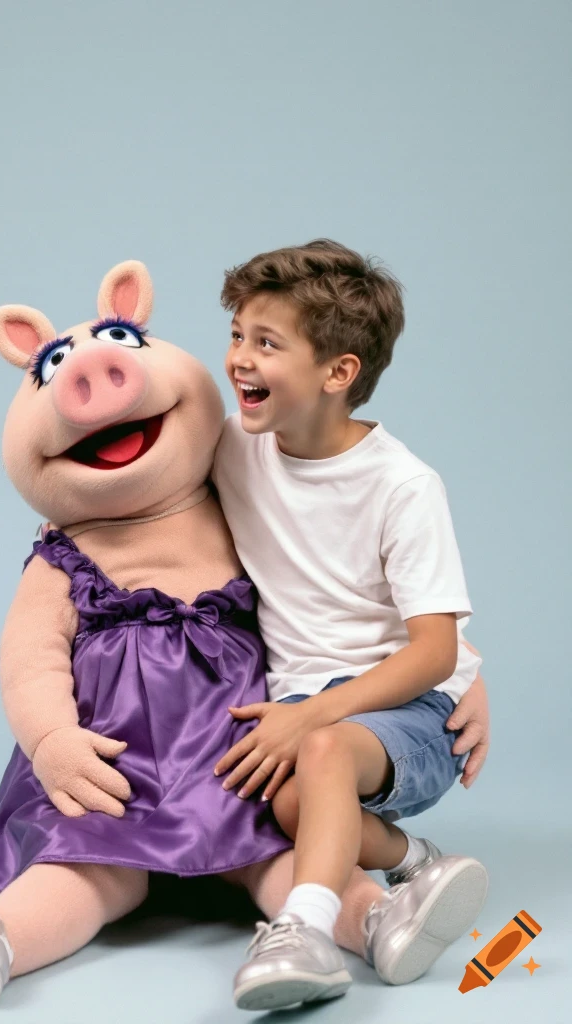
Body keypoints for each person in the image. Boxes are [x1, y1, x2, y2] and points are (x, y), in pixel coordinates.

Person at [211, 239, 489, 1011]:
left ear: (339, 373)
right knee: (287, 806)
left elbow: (433, 648)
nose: (239, 359)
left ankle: (304, 930)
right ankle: (412, 861)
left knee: (324, 751)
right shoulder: (235, 443)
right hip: (311, 701)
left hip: (405, 707)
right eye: (237, 334)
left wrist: (312, 715)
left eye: (267, 344)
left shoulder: (403, 485)